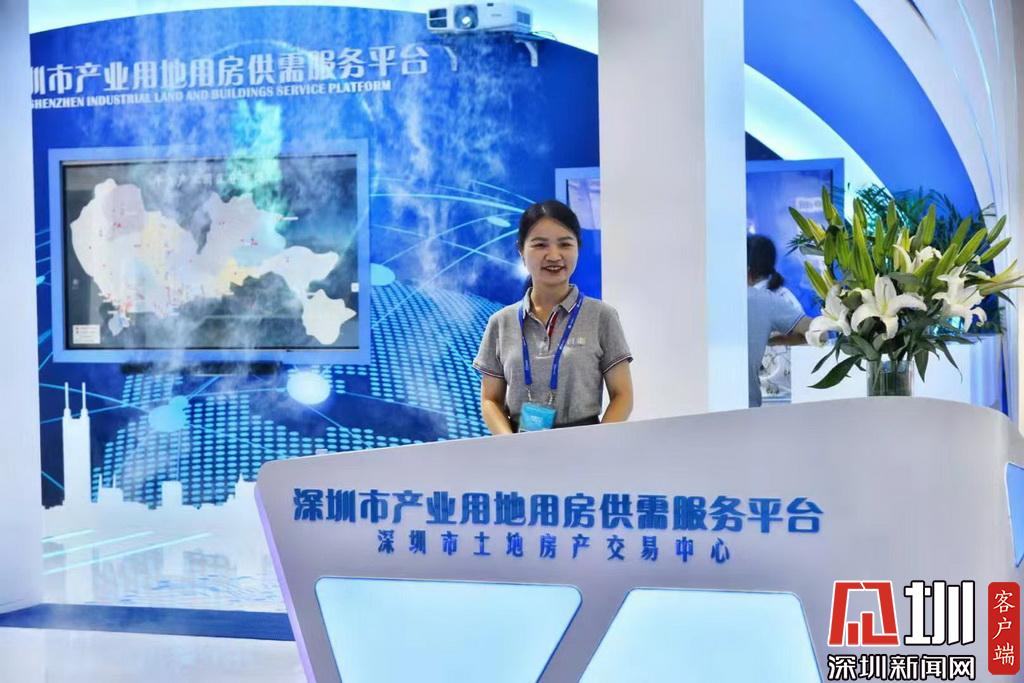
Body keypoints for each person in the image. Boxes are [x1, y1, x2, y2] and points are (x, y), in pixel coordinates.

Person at [474, 199, 633, 433]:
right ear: (521, 250)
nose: (554, 255)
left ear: (578, 248)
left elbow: (623, 395)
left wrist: (598, 444)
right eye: (540, 245)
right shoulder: (501, 322)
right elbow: (490, 400)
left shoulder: (602, 316)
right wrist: (510, 444)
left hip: (585, 444)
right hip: (520, 446)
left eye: (565, 244)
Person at [746, 234, 811, 408]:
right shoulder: (782, 297)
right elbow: (813, 332)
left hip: (774, 393)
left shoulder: (759, 299)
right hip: (783, 392)